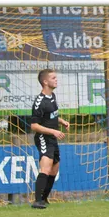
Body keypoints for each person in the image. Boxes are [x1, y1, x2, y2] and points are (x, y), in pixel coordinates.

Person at [30, 68, 69, 209]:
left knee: (54, 169)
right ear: (45, 82)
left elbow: (51, 116)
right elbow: (34, 125)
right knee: (46, 168)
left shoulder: (52, 96)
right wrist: (53, 131)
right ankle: (37, 201)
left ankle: (44, 199)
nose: (56, 80)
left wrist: (62, 121)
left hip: (52, 138)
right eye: (53, 78)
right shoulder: (39, 101)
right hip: (43, 138)